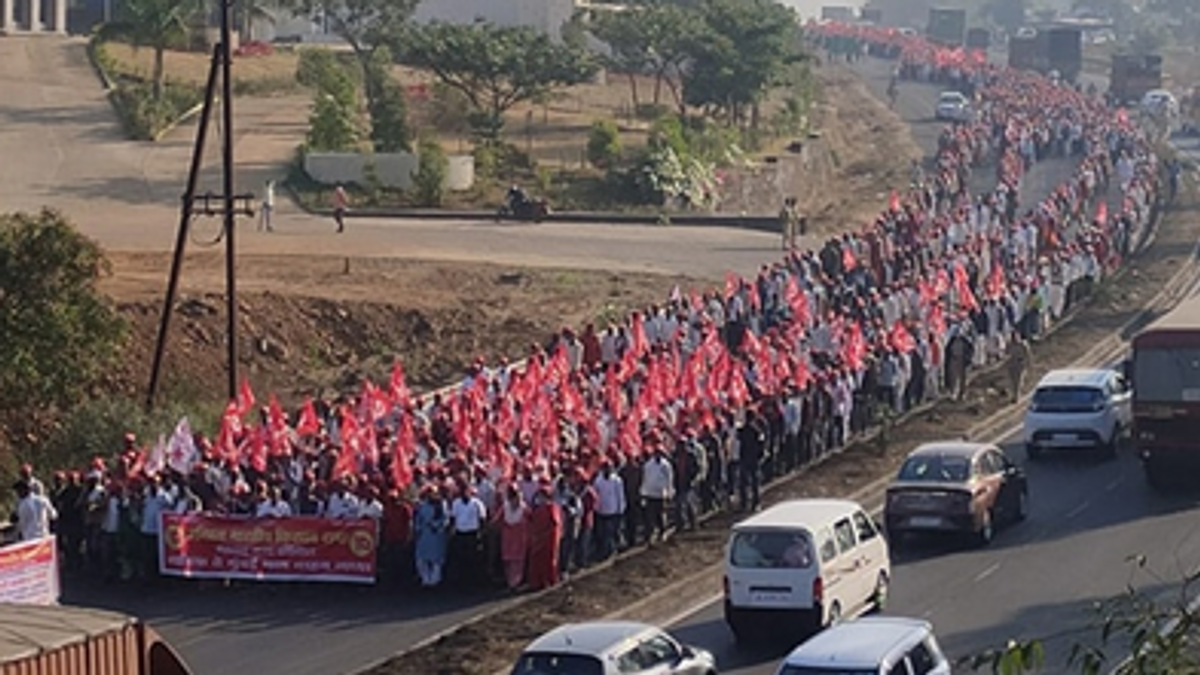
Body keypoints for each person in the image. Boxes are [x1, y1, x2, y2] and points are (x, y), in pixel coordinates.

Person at [525, 484, 562, 591]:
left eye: (543, 495)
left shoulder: (552, 507)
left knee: (548, 559)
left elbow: (555, 523)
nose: (540, 498)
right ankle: (536, 582)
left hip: (549, 538)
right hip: (538, 536)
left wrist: (547, 534)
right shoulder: (537, 508)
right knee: (536, 559)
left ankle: (548, 580)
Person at [413, 487, 448, 588]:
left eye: (432, 493)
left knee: (436, 560)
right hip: (424, 535)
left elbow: (445, 519)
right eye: (428, 493)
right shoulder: (421, 505)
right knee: (422, 559)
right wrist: (418, 529)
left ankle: (435, 580)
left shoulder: (441, 504)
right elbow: (418, 519)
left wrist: (436, 526)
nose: (430, 495)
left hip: (437, 535)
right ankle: (425, 580)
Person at [497, 484, 529, 592]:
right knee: (508, 560)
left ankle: (515, 582)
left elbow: (531, 520)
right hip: (508, 539)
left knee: (518, 561)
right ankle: (509, 581)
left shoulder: (524, 509)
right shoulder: (505, 508)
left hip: (519, 538)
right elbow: (497, 520)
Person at [1006, 333, 1032, 403]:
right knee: (1012, 381)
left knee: (1018, 381)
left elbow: (1028, 354)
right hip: (1011, 364)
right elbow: (1007, 353)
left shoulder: (1023, 344)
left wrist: (1028, 364)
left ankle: (1016, 397)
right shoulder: (1009, 345)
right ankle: (1013, 395)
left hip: (1020, 363)